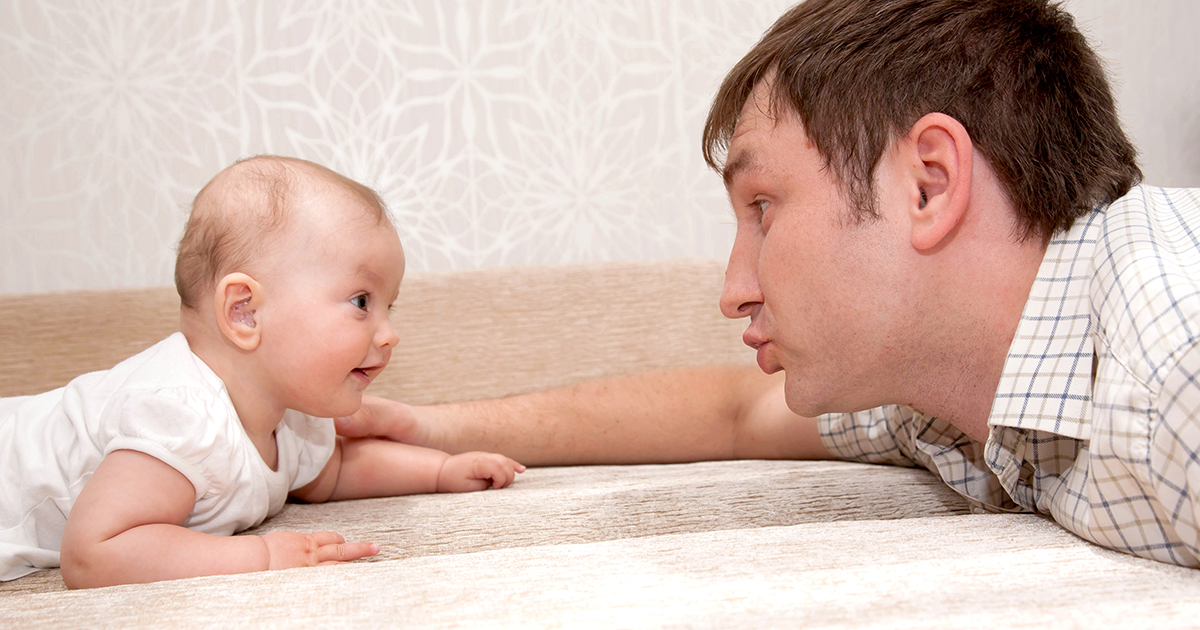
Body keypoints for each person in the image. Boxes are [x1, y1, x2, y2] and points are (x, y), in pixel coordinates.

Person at [337, 0, 1200, 568]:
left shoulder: (1172, 365)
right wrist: (428, 426)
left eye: (763, 206)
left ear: (928, 184)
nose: (733, 289)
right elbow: (734, 413)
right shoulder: (947, 376)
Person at [0, 155, 524, 587]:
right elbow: (95, 554)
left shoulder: (289, 413)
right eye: (362, 301)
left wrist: (438, 471)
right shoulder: (179, 416)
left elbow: (334, 473)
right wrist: (262, 558)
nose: (388, 334)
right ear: (244, 312)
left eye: (391, 307)